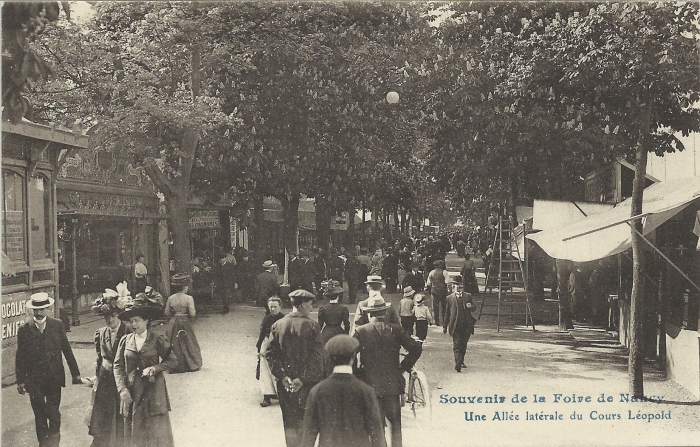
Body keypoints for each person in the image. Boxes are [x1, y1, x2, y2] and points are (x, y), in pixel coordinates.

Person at [353, 296, 422, 447]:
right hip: (393, 385)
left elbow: (349, 355)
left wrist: (358, 374)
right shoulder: (396, 330)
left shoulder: (361, 331)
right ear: (385, 312)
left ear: (369, 313)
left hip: (370, 386)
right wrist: (403, 368)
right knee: (395, 426)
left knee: (375, 429)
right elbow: (416, 348)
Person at [16, 292, 82, 447]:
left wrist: (76, 374)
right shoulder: (24, 329)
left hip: (54, 378)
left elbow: (67, 350)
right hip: (34, 381)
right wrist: (21, 381)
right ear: (32, 310)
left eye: (41, 309)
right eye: (36, 310)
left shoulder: (57, 325)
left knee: (53, 414)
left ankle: (54, 444)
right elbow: (20, 357)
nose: (39, 313)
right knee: (39, 415)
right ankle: (43, 444)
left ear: (47, 308)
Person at [114, 295, 178, 447]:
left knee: (156, 433)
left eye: (137, 320)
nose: (133, 324)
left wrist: (155, 368)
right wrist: (122, 389)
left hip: (153, 390)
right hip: (132, 391)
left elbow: (173, 360)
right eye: (131, 321)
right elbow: (118, 366)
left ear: (147, 321)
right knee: (134, 433)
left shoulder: (157, 339)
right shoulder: (126, 340)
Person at [265, 289, 326, 447]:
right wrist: (303, 379)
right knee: (307, 424)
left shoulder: (277, 325)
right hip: (308, 384)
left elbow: (269, 354)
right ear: (303, 304)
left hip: (285, 385)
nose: (311, 308)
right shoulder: (312, 325)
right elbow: (317, 357)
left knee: (290, 424)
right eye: (310, 304)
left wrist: (283, 377)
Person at [300, 335, 386, 447]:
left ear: (330, 359)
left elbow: (308, 434)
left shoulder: (317, 391)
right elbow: (377, 433)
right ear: (353, 357)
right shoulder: (366, 390)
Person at [88, 284, 131, 447]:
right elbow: (99, 358)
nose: (110, 320)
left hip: (123, 378)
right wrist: (96, 378)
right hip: (106, 378)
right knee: (104, 414)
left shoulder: (128, 331)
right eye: (106, 316)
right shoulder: (100, 333)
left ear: (119, 314)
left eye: (113, 315)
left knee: (121, 414)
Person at [164, 273, 203, 373]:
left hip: (174, 322)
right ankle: (191, 364)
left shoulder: (170, 298)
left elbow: (167, 313)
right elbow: (192, 313)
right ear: (185, 287)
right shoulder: (189, 298)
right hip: (185, 321)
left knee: (174, 342)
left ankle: (175, 364)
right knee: (189, 341)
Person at [443, 275, 477, 373]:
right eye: (456, 285)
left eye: (460, 285)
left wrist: (471, 306)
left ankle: (461, 360)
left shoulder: (468, 296)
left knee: (463, 344)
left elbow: (474, 308)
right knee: (457, 345)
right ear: (453, 286)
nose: (458, 287)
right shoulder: (449, 298)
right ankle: (458, 363)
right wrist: (445, 326)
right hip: (455, 325)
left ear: (462, 286)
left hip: (466, 325)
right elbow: (447, 313)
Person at [256, 296, 285, 407]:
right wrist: (259, 348)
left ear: (280, 307)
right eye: (270, 307)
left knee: (279, 369)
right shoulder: (267, 319)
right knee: (265, 371)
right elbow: (262, 333)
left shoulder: (283, 319)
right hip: (267, 344)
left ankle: (281, 395)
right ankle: (267, 396)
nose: (272, 309)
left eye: (275, 307)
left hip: (279, 345)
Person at [426, 259, 449, 326]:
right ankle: (445, 321)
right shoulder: (444, 272)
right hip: (443, 291)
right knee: (444, 307)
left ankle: (436, 322)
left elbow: (428, 283)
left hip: (434, 291)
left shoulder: (431, 272)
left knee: (435, 307)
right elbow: (448, 282)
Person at [219, 249, 238, 314]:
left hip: (228, 283)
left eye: (222, 258)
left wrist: (235, 282)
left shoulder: (230, 265)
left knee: (226, 295)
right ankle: (225, 307)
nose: (221, 260)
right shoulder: (219, 266)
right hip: (221, 283)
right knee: (223, 296)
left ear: (225, 258)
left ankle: (226, 308)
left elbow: (233, 274)